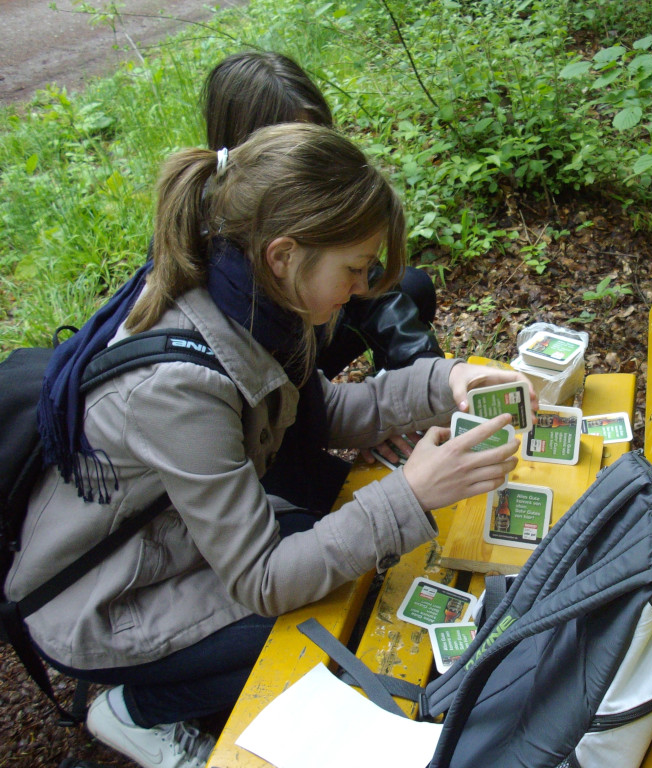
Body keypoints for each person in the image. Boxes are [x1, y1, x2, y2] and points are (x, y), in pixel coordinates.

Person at [5, 123, 534, 768]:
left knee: (335, 556)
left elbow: (323, 414)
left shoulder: (251, 301)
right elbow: (262, 581)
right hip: (101, 603)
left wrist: (444, 379)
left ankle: (183, 686)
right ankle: (133, 709)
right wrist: (412, 494)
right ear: (285, 254)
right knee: (312, 623)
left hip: (172, 546)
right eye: (354, 268)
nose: (362, 288)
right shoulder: (181, 385)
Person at [202, 50, 444, 490]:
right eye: (295, 145)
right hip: (255, 396)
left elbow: (366, 279)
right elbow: (255, 559)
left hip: (299, 359)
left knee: (410, 288)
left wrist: (421, 387)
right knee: (333, 497)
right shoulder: (211, 248)